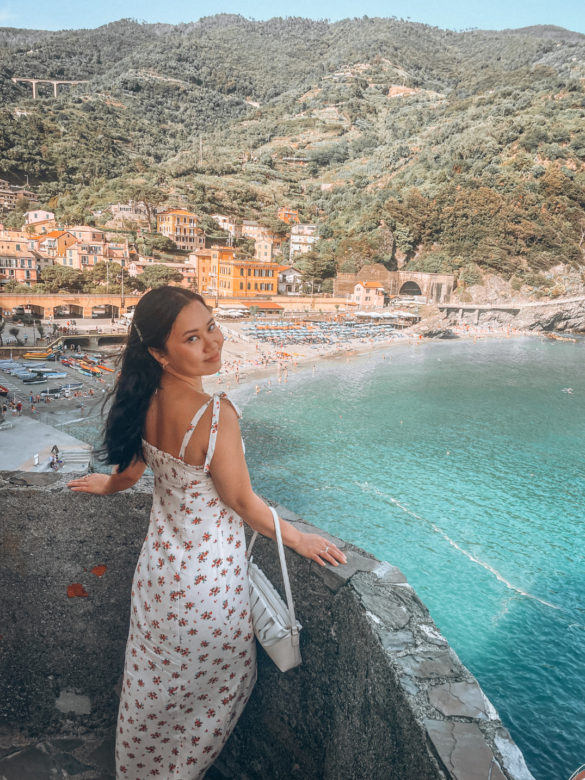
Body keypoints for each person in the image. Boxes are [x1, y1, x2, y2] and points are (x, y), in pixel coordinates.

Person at [68, 287, 345, 779]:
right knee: (220, 690)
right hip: (208, 588)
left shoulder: (139, 399)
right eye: (193, 338)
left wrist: (105, 486)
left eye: (211, 327)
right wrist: (301, 540)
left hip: (158, 578)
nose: (213, 344)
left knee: (151, 690)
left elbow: (130, 475)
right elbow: (242, 503)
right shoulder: (216, 415)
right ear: (159, 352)